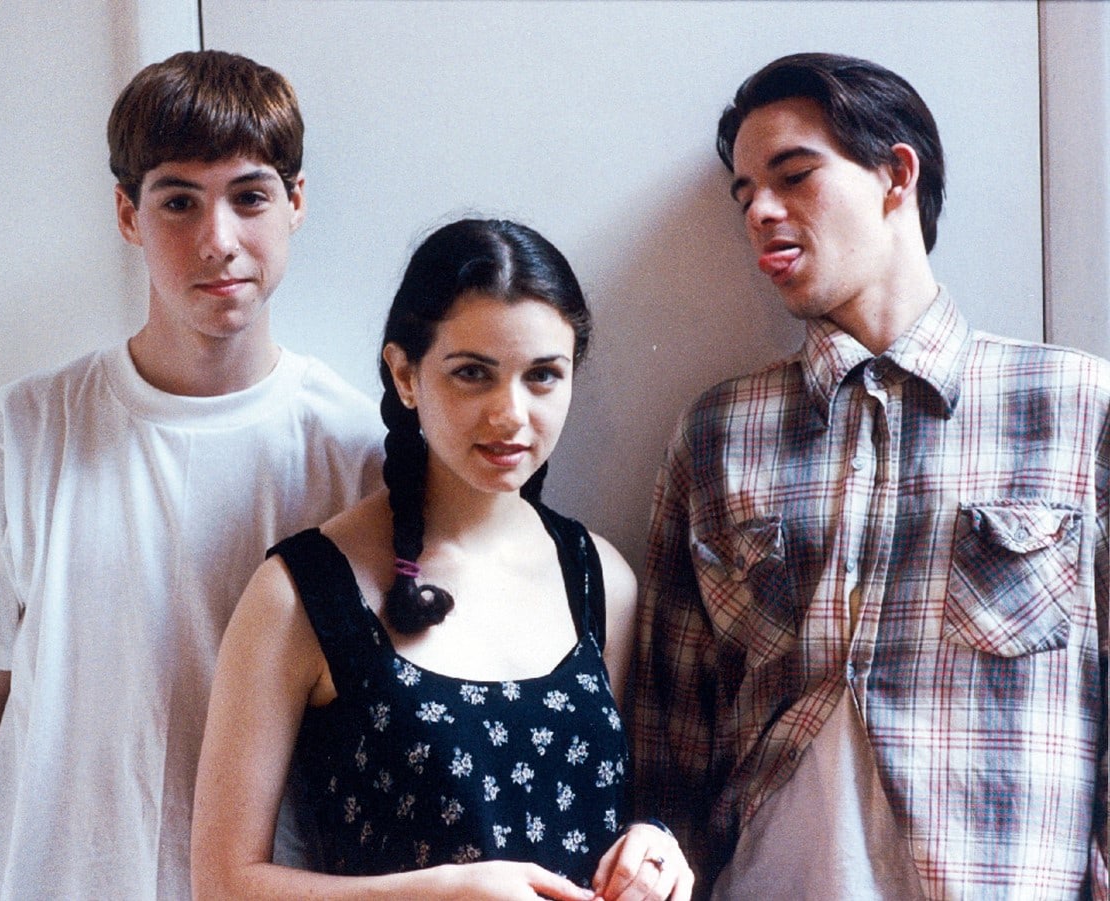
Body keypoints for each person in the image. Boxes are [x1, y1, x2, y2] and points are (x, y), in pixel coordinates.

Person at [633, 52, 1109, 899]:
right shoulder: (718, 431)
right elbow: (668, 740)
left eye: (793, 176)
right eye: (744, 195)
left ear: (896, 174)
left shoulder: (1075, 405)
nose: (761, 214)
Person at [0, 50, 384, 898]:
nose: (218, 240)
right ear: (129, 214)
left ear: (296, 203)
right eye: (178, 200)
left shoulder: (355, 451)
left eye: (249, 196)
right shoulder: (26, 430)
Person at [192, 218, 690, 900]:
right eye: (472, 374)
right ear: (404, 373)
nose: (511, 413)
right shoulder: (303, 593)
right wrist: (444, 892)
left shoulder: (600, 578)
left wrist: (654, 850)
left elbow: (622, 819)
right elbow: (222, 883)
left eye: (543, 375)